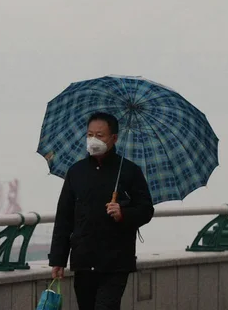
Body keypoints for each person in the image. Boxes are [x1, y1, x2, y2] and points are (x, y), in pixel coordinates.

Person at [48, 112, 154, 310]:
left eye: (100, 135)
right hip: (83, 260)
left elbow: (146, 209)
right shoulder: (76, 172)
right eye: (90, 134)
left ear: (114, 138)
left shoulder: (130, 171)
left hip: (116, 261)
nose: (93, 140)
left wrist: (124, 213)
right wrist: (58, 259)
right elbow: (64, 217)